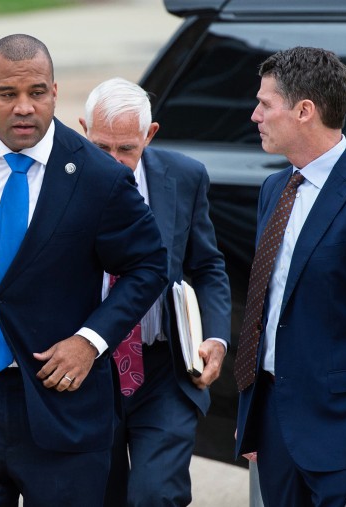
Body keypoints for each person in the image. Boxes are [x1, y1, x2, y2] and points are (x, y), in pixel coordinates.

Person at [0, 34, 168, 506]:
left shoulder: (100, 175)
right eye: (8, 94)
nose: (24, 108)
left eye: (36, 92)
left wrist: (90, 342)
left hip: (64, 410)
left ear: (55, 92)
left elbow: (150, 265)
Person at [234, 46, 346, 506]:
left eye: (266, 104)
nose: (254, 115)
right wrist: (253, 416)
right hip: (275, 429)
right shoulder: (274, 188)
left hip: (344, 437)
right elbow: (267, 308)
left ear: (304, 110)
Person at [79, 77, 231, 506]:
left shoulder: (184, 176)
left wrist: (215, 338)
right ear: (81, 130)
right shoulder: (60, 181)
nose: (113, 161)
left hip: (165, 368)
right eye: (101, 147)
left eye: (126, 149)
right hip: (90, 371)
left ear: (150, 134)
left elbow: (206, 264)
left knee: (154, 494)